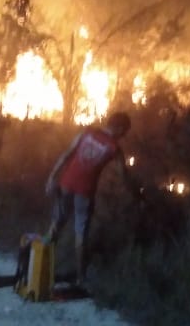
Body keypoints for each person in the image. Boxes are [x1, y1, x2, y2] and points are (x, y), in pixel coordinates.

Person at [44, 112, 138, 286]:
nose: (124, 135)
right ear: (118, 128)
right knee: (81, 234)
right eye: (124, 131)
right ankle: (81, 278)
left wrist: (52, 177)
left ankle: (40, 268)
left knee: (56, 225)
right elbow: (123, 175)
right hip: (85, 192)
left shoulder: (85, 133)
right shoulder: (115, 148)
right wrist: (135, 192)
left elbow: (66, 155)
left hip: (65, 184)